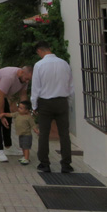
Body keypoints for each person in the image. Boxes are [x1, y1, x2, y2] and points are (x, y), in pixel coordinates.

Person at [31, 41, 74, 173]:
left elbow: (36, 88)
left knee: (44, 133)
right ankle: (66, 164)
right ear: (49, 48)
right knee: (64, 134)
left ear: (39, 51)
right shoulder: (64, 64)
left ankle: (45, 163)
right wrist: (69, 102)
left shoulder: (39, 65)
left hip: (45, 103)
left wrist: (34, 105)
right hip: (62, 101)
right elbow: (70, 86)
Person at [0, 65, 33, 162]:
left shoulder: (25, 79)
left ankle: (8, 147)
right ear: (21, 73)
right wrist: (2, 115)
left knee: (8, 119)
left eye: (29, 80)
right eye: (26, 79)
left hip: (1, 96)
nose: (27, 81)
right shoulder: (9, 76)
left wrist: (25, 111)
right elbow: (0, 96)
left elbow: (23, 94)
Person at [0, 100, 38, 165]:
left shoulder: (28, 117)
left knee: (26, 147)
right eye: (19, 107)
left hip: (27, 135)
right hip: (21, 134)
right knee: (22, 146)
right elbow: (10, 114)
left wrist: (36, 130)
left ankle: (27, 158)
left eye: (21, 108)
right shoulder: (17, 114)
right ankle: (24, 157)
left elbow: (33, 125)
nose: (19, 109)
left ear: (27, 110)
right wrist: (4, 114)